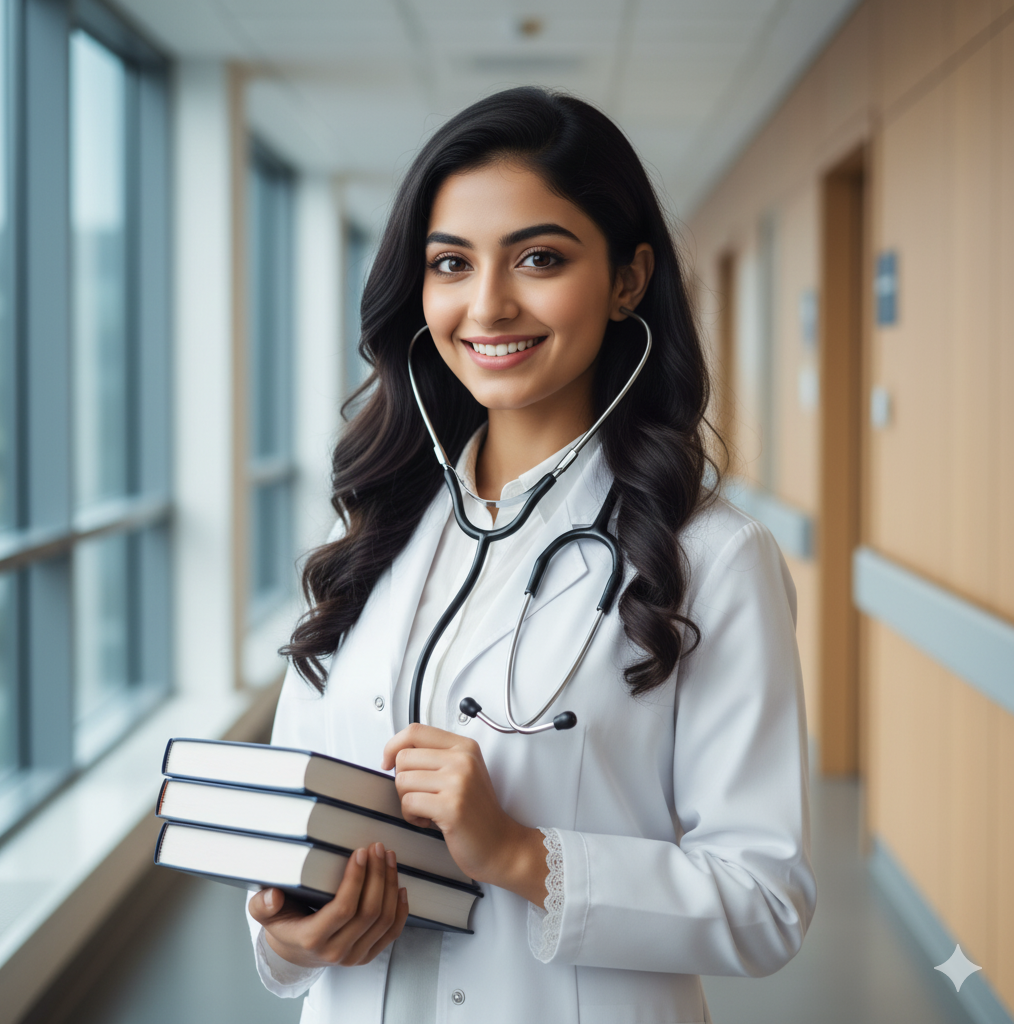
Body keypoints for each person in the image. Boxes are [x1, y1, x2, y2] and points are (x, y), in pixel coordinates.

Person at [246, 86, 815, 1024]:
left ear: (629, 279)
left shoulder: (711, 557)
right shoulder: (378, 531)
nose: (488, 304)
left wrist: (519, 854)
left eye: (539, 258)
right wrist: (286, 936)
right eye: (451, 263)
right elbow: (286, 834)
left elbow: (766, 901)